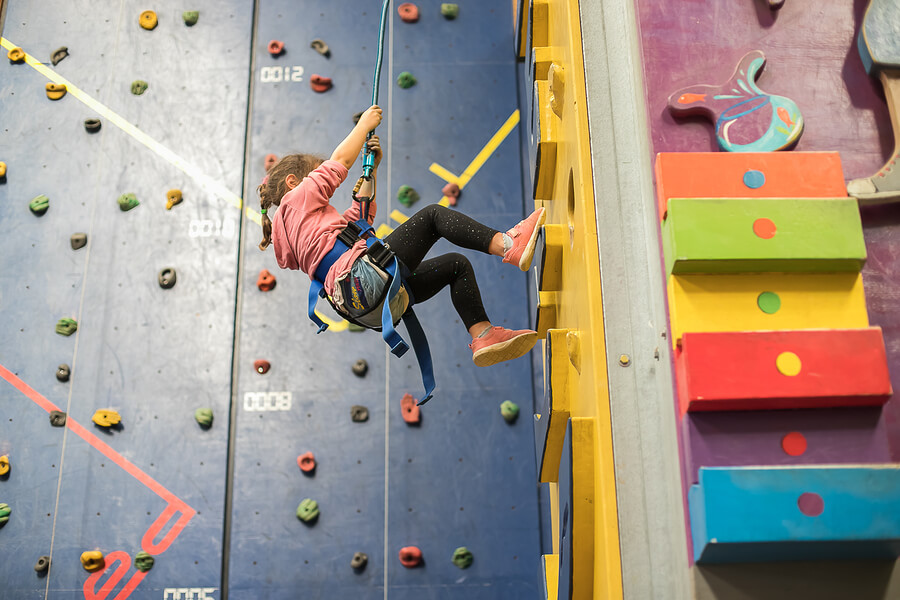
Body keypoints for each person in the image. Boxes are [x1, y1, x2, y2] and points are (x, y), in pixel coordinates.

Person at [257, 105, 545, 367]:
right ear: (293, 182)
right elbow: (340, 161)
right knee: (433, 216)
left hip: (363, 303)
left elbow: (358, 225)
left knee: (456, 266)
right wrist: (363, 125)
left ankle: (483, 334)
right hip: (364, 276)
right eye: (313, 175)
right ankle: (510, 244)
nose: (318, 181)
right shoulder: (295, 200)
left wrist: (372, 170)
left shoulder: (298, 237)